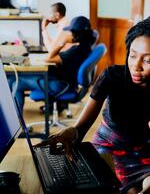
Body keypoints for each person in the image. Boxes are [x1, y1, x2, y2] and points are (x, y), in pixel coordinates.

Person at [35, 17, 150, 194]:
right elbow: (80, 128)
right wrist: (70, 133)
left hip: (141, 148)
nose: (136, 66)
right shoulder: (112, 76)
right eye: (133, 55)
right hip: (108, 146)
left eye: (147, 60)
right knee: (129, 189)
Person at [11, 16, 96, 113]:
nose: (70, 34)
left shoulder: (76, 51)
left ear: (76, 34)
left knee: (15, 83)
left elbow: (49, 58)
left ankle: (18, 123)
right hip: (63, 81)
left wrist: (62, 42)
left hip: (61, 85)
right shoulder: (86, 47)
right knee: (14, 78)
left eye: (71, 32)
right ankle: (14, 119)